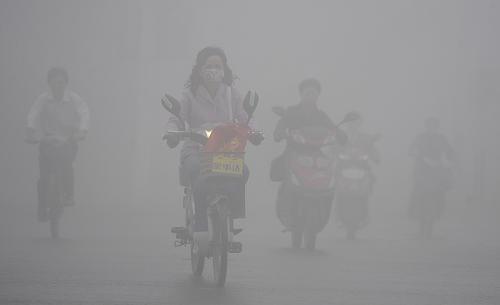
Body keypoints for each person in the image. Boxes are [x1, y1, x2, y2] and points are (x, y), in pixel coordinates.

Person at [164, 46, 262, 233]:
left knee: (243, 172)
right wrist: (172, 133)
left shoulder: (231, 93)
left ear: (224, 70)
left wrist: (255, 132)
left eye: (218, 66)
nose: (213, 70)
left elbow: (245, 117)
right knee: (196, 172)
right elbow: (176, 118)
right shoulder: (188, 94)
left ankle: (231, 216)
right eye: (209, 66)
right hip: (195, 149)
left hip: (224, 150)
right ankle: (200, 222)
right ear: (200, 69)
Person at [26, 67, 89, 222]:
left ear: (66, 83)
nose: (58, 86)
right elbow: (33, 113)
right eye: (55, 82)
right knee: (43, 177)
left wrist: (82, 131)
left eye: (61, 82)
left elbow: (84, 112)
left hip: (68, 140)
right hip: (48, 141)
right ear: (49, 83)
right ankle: (42, 208)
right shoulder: (43, 99)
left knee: (67, 164)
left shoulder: (74, 99)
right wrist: (30, 130)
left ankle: (68, 194)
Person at [409, 117, 453, 237]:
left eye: (434, 125)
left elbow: (449, 152)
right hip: (421, 171)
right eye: (429, 125)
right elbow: (411, 150)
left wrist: (447, 161)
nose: (431, 128)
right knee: (419, 194)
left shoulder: (441, 138)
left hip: (437, 171)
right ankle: (420, 222)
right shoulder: (420, 137)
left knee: (439, 194)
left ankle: (434, 218)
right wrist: (417, 155)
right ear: (426, 126)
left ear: (437, 127)